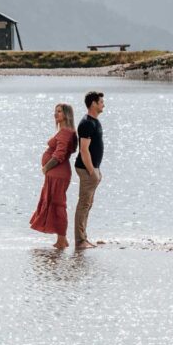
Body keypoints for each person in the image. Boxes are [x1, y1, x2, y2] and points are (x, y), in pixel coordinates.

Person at [29, 103, 78, 249]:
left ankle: (62, 239)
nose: (56, 114)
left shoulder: (66, 132)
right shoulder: (65, 131)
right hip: (57, 173)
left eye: (59, 112)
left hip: (58, 173)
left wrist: (46, 167)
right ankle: (61, 239)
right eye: (55, 111)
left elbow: (60, 154)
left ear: (67, 115)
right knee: (55, 203)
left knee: (58, 205)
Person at [74, 90, 105, 250]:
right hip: (86, 170)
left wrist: (97, 170)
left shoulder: (95, 121)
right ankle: (80, 241)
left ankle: (83, 238)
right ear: (93, 104)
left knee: (88, 204)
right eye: (101, 102)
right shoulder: (86, 123)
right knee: (84, 204)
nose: (103, 105)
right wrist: (92, 171)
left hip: (93, 169)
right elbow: (84, 150)